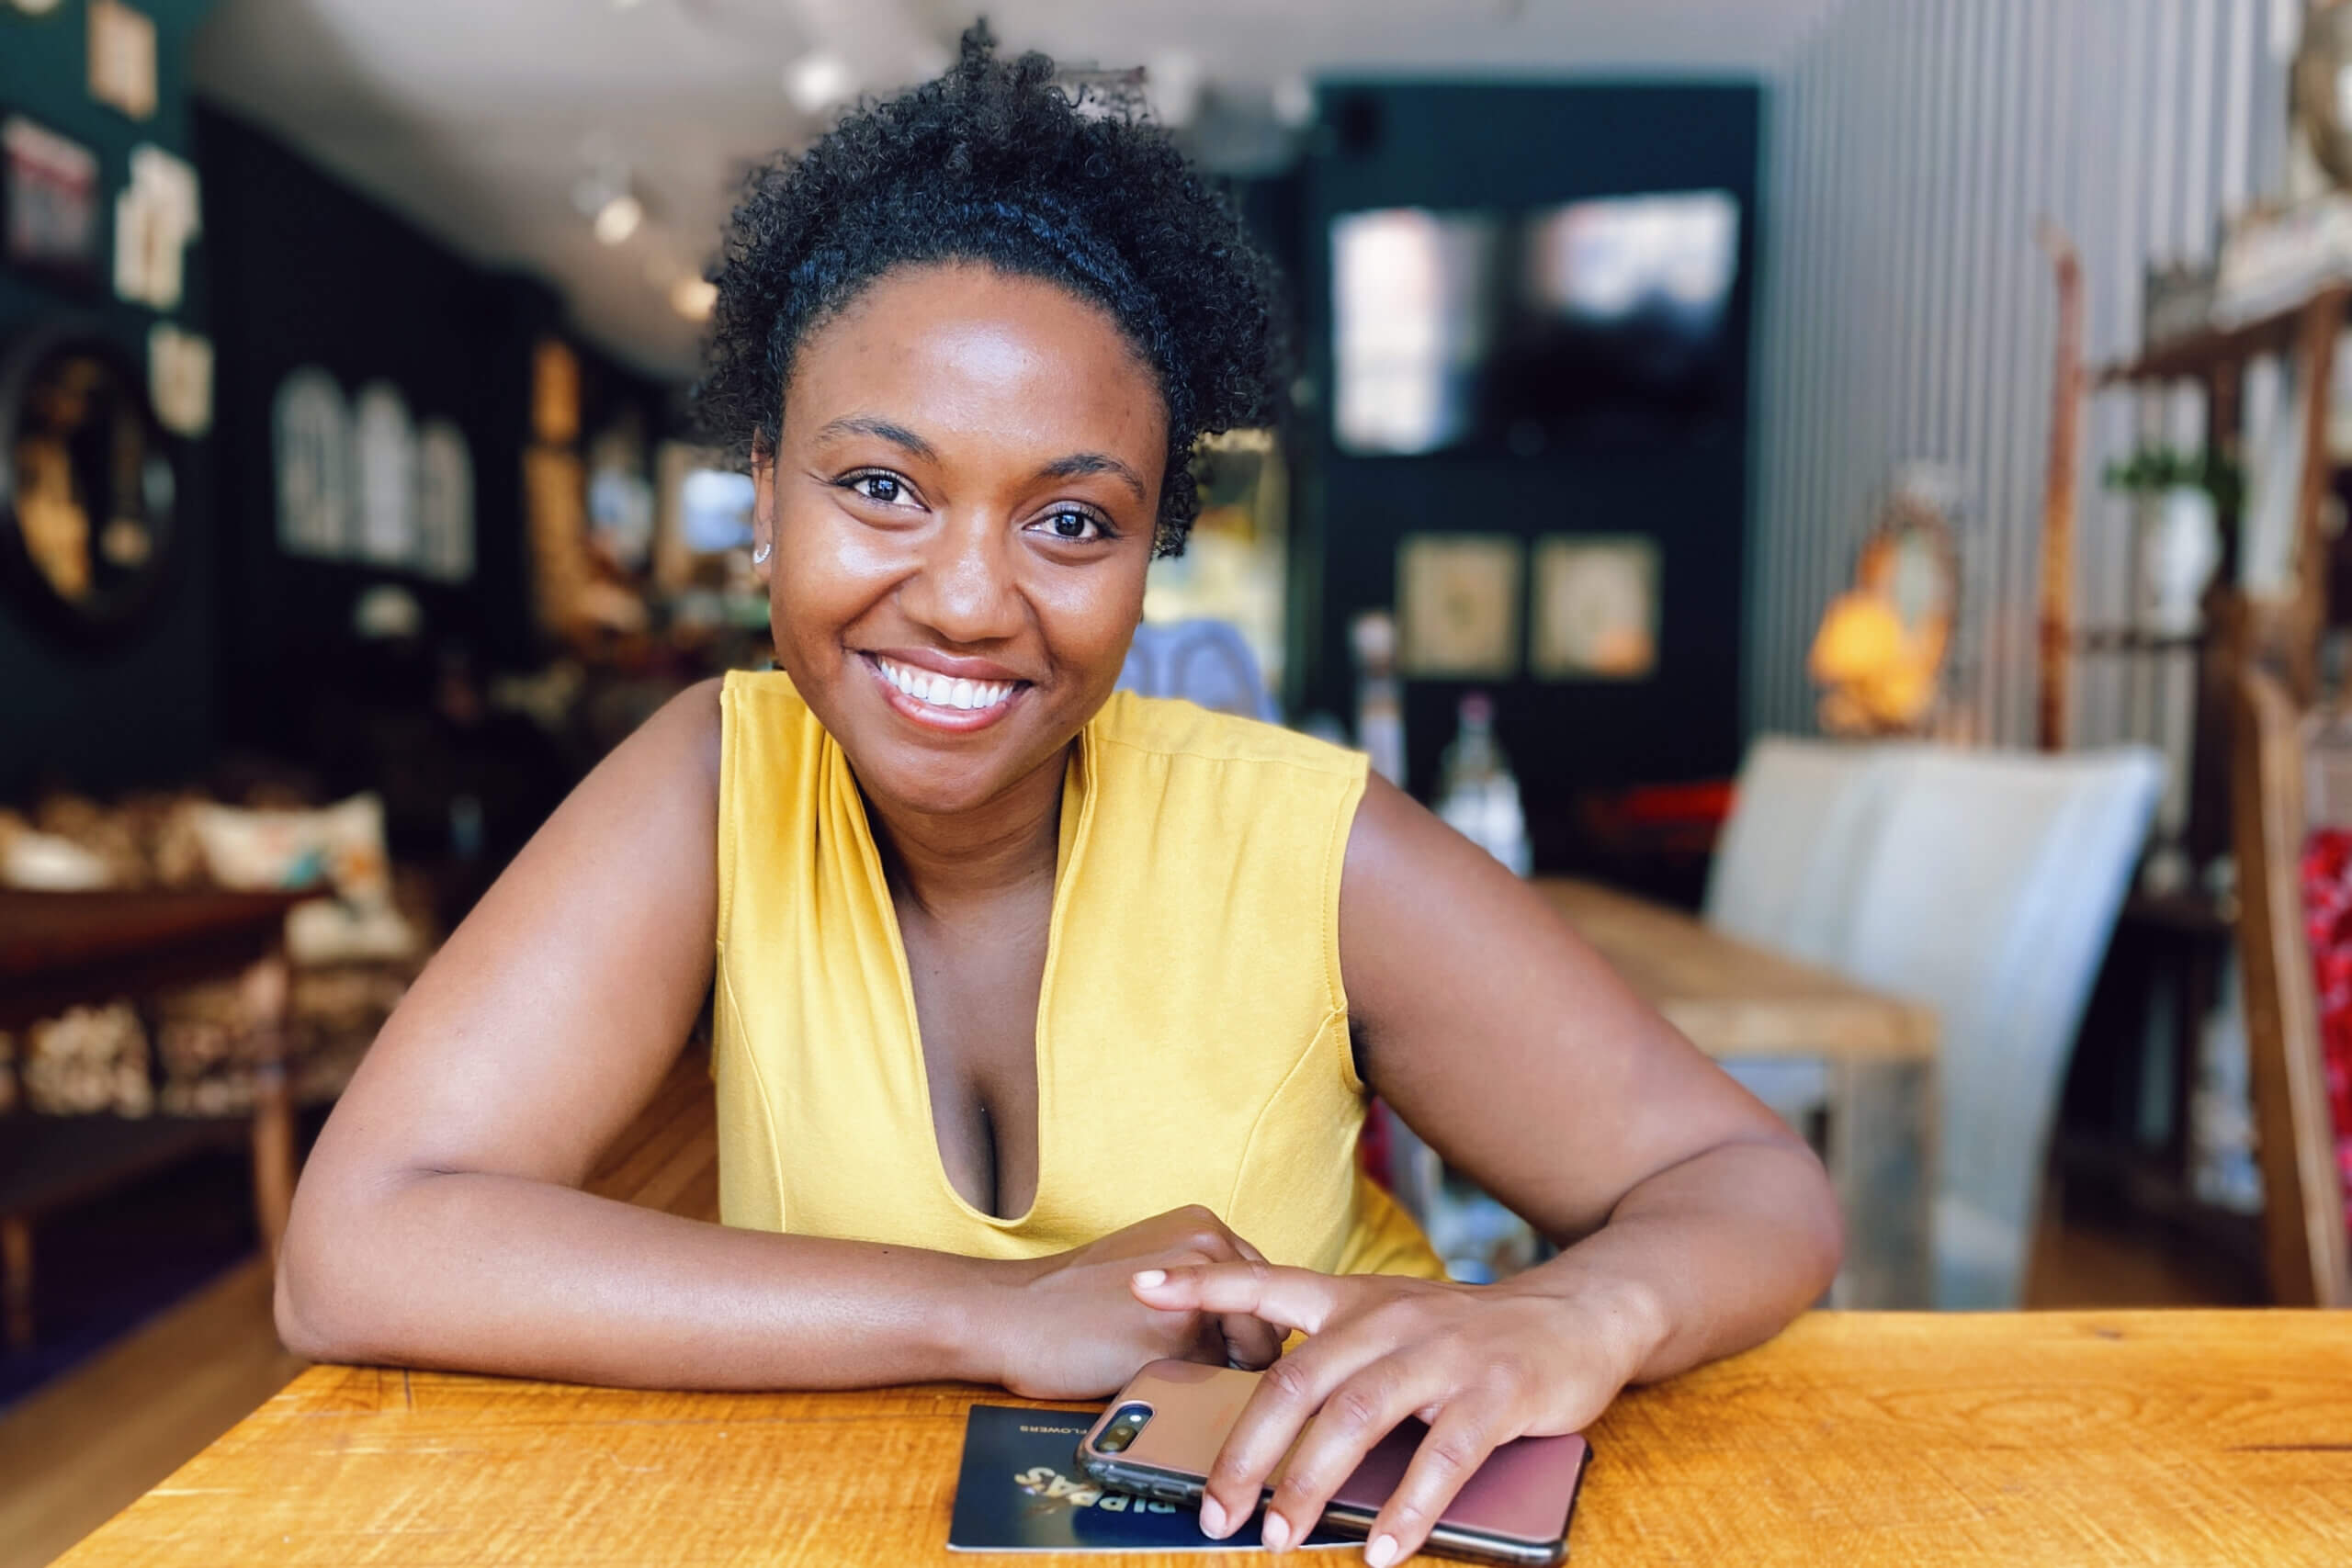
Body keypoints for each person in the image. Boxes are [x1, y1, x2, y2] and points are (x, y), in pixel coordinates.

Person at [277, 28, 1839, 1566]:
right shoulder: (713, 775)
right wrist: (997, 1314)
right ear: (763, 494)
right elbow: (358, 1246)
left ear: (1153, 556)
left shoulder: (1305, 842)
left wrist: (1572, 1311)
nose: (966, 601)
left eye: (1072, 520)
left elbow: (1749, 1183)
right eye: (881, 486)